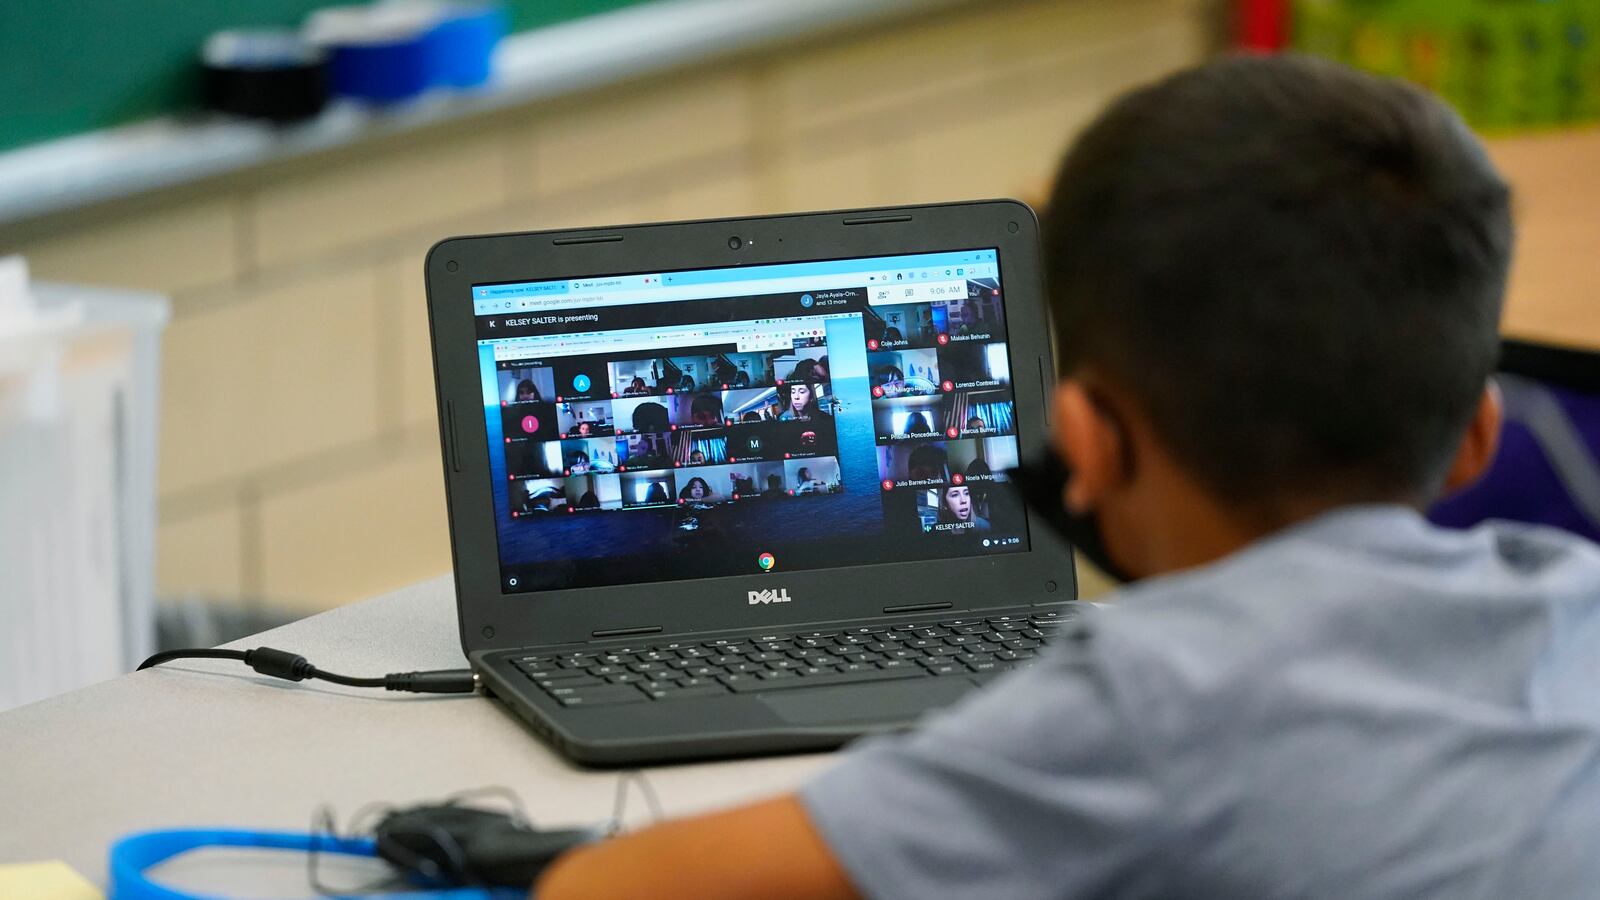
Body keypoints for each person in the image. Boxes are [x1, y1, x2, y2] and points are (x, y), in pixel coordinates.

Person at [536, 55, 1600, 898]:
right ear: (1478, 436)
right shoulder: (1576, 607)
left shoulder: (1145, 705)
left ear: (1086, 439)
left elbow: (602, 889)